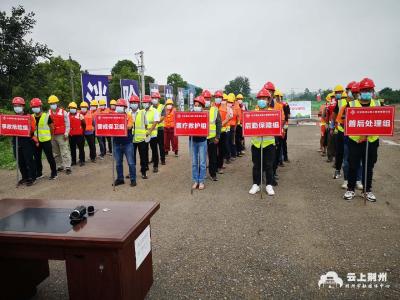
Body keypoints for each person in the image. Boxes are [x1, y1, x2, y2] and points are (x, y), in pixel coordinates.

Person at [344, 78, 380, 202]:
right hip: (355, 141)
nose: (367, 92)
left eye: (369, 90)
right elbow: (346, 122)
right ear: (359, 92)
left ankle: (367, 190)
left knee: (369, 166)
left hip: (372, 141)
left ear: (373, 91)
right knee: (353, 165)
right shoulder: (351, 105)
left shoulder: (378, 104)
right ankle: (350, 189)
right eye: (364, 90)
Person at [249, 88, 276, 196]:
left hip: (268, 143)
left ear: (268, 100)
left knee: (269, 165)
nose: (262, 100)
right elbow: (248, 127)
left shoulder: (273, 114)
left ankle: (269, 185)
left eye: (264, 98)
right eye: (260, 98)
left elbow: (276, 128)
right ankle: (256, 184)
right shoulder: (252, 114)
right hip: (256, 143)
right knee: (256, 165)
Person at [337, 83, 363, 190]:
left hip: (362, 139)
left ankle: (358, 180)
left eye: (358, 93)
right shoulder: (347, 106)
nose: (356, 95)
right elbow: (340, 120)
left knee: (359, 161)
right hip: (348, 137)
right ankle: (346, 180)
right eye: (354, 93)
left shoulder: (367, 106)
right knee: (347, 160)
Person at [11, 97, 37, 186]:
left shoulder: (29, 117)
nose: (16, 107)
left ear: (23, 106)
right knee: (20, 160)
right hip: (16, 140)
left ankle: (32, 177)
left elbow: (33, 129)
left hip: (27, 140)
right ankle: (25, 177)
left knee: (28, 160)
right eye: (15, 106)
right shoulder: (11, 118)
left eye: (18, 105)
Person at [30, 98, 58, 180]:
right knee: (37, 158)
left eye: (37, 106)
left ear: (40, 107)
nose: (35, 108)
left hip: (46, 140)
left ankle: (54, 173)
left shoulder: (46, 116)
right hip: (35, 141)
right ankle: (39, 173)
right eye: (33, 107)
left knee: (50, 157)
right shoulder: (31, 117)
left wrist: (50, 137)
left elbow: (52, 127)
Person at [113, 99, 136, 187]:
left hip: (127, 143)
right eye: (118, 106)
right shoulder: (113, 116)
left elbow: (129, 126)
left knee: (130, 162)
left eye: (121, 106)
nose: (119, 108)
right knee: (118, 162)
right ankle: (120, 179)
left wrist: (119, 125)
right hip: (117, 143)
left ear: (125, 108)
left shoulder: (129, 116)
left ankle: (133, 179)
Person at [48, 95, 72, 174]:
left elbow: (68, 124)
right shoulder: (48, 113)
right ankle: (59, 166)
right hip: (52, 135)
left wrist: (66, 133)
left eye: (54, 103)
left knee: (64, 151)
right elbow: (46, 125)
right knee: (56, 152)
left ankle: (68, 166)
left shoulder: (63, 112)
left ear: (57, 103)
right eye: (51, 103)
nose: (52, 104)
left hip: (62, 135)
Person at [203, 90, 222, 181]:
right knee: (201, 157)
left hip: (212, 138)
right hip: (201, 138)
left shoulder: (215, 110)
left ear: (210, 99)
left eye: (208, 98)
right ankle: (201, 174)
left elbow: (219, 124)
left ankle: (213, 173)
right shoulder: (198, 109)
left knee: (213, 157)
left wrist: (217, 137)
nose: (206, 100)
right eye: (205, 98)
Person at [191, 96, 208, 190]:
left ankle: (201, 181)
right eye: (195, 105)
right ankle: (195, 180)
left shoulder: (205, 115)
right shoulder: (191, 115)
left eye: (198, 105)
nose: (196, 106)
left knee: (202, 162)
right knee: (194, 163)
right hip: (193, 141)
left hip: (202, 141)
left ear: (202, 106)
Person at [130, 94, 149, 179]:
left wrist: (144, 134)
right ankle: (132, 173)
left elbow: (146, 125)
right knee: (131, 158)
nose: (133, 104)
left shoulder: (142, 112)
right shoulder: (128, 113)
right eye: (132, 102)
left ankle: (143, 172)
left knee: (143, 157)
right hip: (131, 139)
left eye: (135, 102)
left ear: (138, 103)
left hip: (141, 139)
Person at [214, 91, 231, 173]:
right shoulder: (211, 107)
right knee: (213, 151)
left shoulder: (226, 108)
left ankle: (219, 167)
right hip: (213, 132)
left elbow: (227, 119)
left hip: (223, 132)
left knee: (221, 150)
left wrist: (220, 125)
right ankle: (214, 166)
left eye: (219, 97)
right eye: (216, 97)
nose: (218, 98)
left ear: (222, 98)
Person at [68, 102, 86, 167]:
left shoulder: (80, 115)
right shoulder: (67, 115)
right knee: (72, 149)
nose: (72, 109)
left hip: (79, 135)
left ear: (76, 109)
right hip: (71, 135)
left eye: (73, 108)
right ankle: (73, 161)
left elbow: (84, 124)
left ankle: (82, 160)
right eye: (70, 108)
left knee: (81, 148)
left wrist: (82, 132)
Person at [146, 94, 160, 173]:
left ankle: (155, 166)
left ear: (150, 103)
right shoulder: (143, 111)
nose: (145, 104)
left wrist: (150, 131)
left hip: (153, 134)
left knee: (154, 150)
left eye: (146, 102)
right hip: (145, 134)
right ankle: (145, 165)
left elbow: (155, 122)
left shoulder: (155, 111)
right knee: (145, 150)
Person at [151, 91, 166, 165]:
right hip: (152, 130)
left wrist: (155, 122)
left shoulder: (162, 107)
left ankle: (163, 159)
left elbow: (163, 117)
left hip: (160, 129)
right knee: (153, 146)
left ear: (159, 99)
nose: (154, 99)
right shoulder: (150, 107)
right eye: (153, 98)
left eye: (155, 98)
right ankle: (154, 159)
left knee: (161, 145)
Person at [226, 93, 239, 160]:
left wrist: (235, 127)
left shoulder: (234, 109)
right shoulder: (226, 108)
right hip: (227, 127)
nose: (229, 103)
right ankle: (230, 155)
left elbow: (237, 119)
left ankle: (233, 155)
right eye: (228, 102)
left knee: (231, 141)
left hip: (232, 127)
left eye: (230, 102)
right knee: (228, 141)